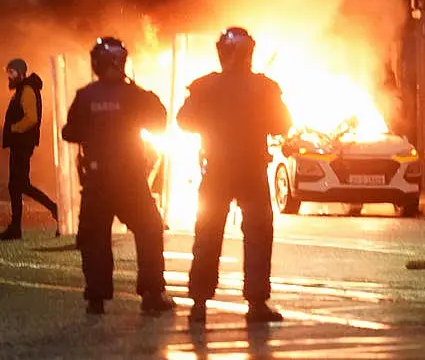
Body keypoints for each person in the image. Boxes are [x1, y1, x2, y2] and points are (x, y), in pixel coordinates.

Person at [177, 27, 292, 324]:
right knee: (257, 234)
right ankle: (256, 303)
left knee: (208, 232)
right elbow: (282, 123)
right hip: (251, 170)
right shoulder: (264, 87)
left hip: (217, 169)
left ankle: (199, 304)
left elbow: (184, 121)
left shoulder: (205, 86)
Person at [61, 37, 174, 315]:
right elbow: (159, 121)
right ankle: (151, 293)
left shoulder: (85, 95)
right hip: (130, 179)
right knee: (149, 229)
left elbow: (69, 132)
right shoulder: (134, 95)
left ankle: (96, 299)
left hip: (97, 179)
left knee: (94, 237)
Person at [1, 59, 58, 240]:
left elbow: (31, 118)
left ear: (20, 73)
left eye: (11, 72)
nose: (8, 76)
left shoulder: (26, 90)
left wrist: (13, 129)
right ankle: (15, 227)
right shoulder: (22, 90)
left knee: (20, 185)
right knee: (16, 186)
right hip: (20, 144)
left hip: (22, 144)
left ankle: (54, 209)